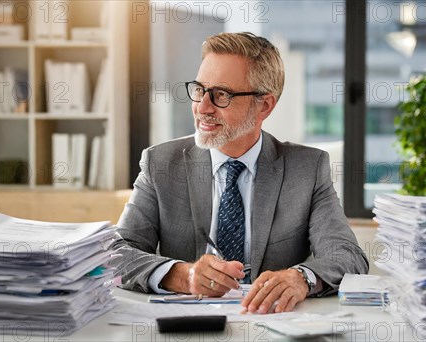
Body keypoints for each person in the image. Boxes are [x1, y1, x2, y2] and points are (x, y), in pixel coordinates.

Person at [115, 32, 368, 314]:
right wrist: (183, 275)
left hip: (272, 324)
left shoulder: (307, 169)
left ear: (265, 105)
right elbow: (116, 253)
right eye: (199, 90)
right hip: (186, 324)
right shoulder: (160, 163)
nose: (203, 107)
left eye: (221, 94)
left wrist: (300, 278)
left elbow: (348, 256)